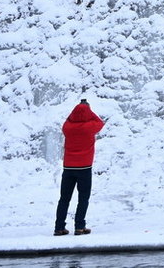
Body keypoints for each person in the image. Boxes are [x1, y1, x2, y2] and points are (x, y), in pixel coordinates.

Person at [54, 98, 105, 236]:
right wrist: (88, 110)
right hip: (84, 167)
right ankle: (79, 227)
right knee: (83, 198)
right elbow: (100, 122)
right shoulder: (90, 127)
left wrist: (78, 111)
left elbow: (69, 119)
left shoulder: (67, 127)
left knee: (64, 198)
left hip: (69, 167)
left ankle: (59, 227)